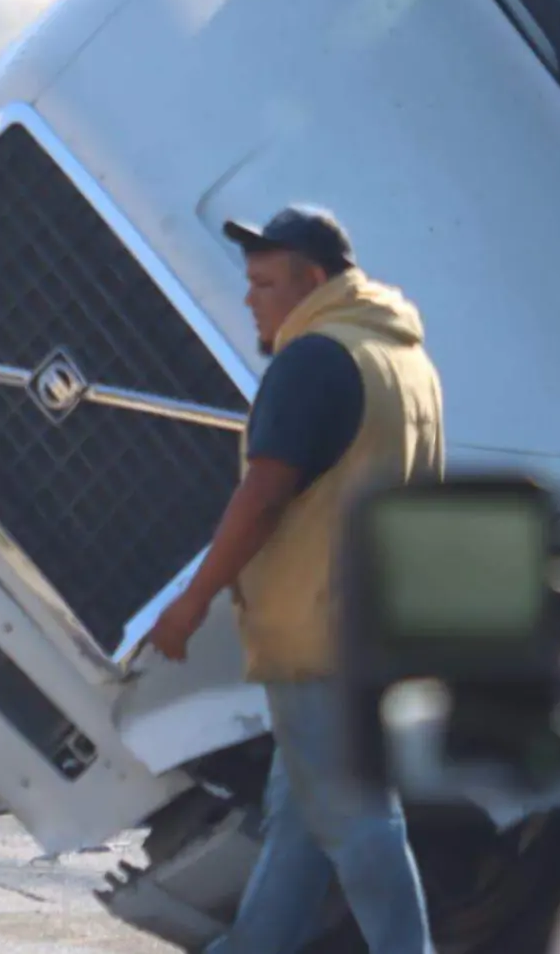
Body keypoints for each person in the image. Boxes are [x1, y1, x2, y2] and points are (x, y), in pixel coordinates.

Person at [148, 206, 443, 954]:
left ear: (312, 281)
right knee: (300, 827)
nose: (252, 299)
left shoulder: (315, 359)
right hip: (379, 629)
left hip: (319, 636)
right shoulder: (404, 360)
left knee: (357, 822)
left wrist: (193, 598)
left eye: (266, 283)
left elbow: (265, 493)